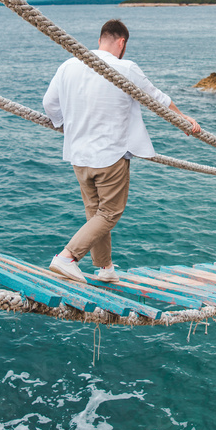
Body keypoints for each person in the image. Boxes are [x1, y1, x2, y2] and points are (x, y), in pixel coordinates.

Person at [43, 19, 200, 284]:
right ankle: (67, 257)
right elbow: (157, 99)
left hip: (78, 155)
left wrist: (66, 125)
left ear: (100, 39)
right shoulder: (125, 67)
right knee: (109, 213)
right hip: (110, 156)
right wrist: (183, 120)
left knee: (95, 215)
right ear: (122, 42)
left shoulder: (68, 65)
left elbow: (49, 103)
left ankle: (105, 268)